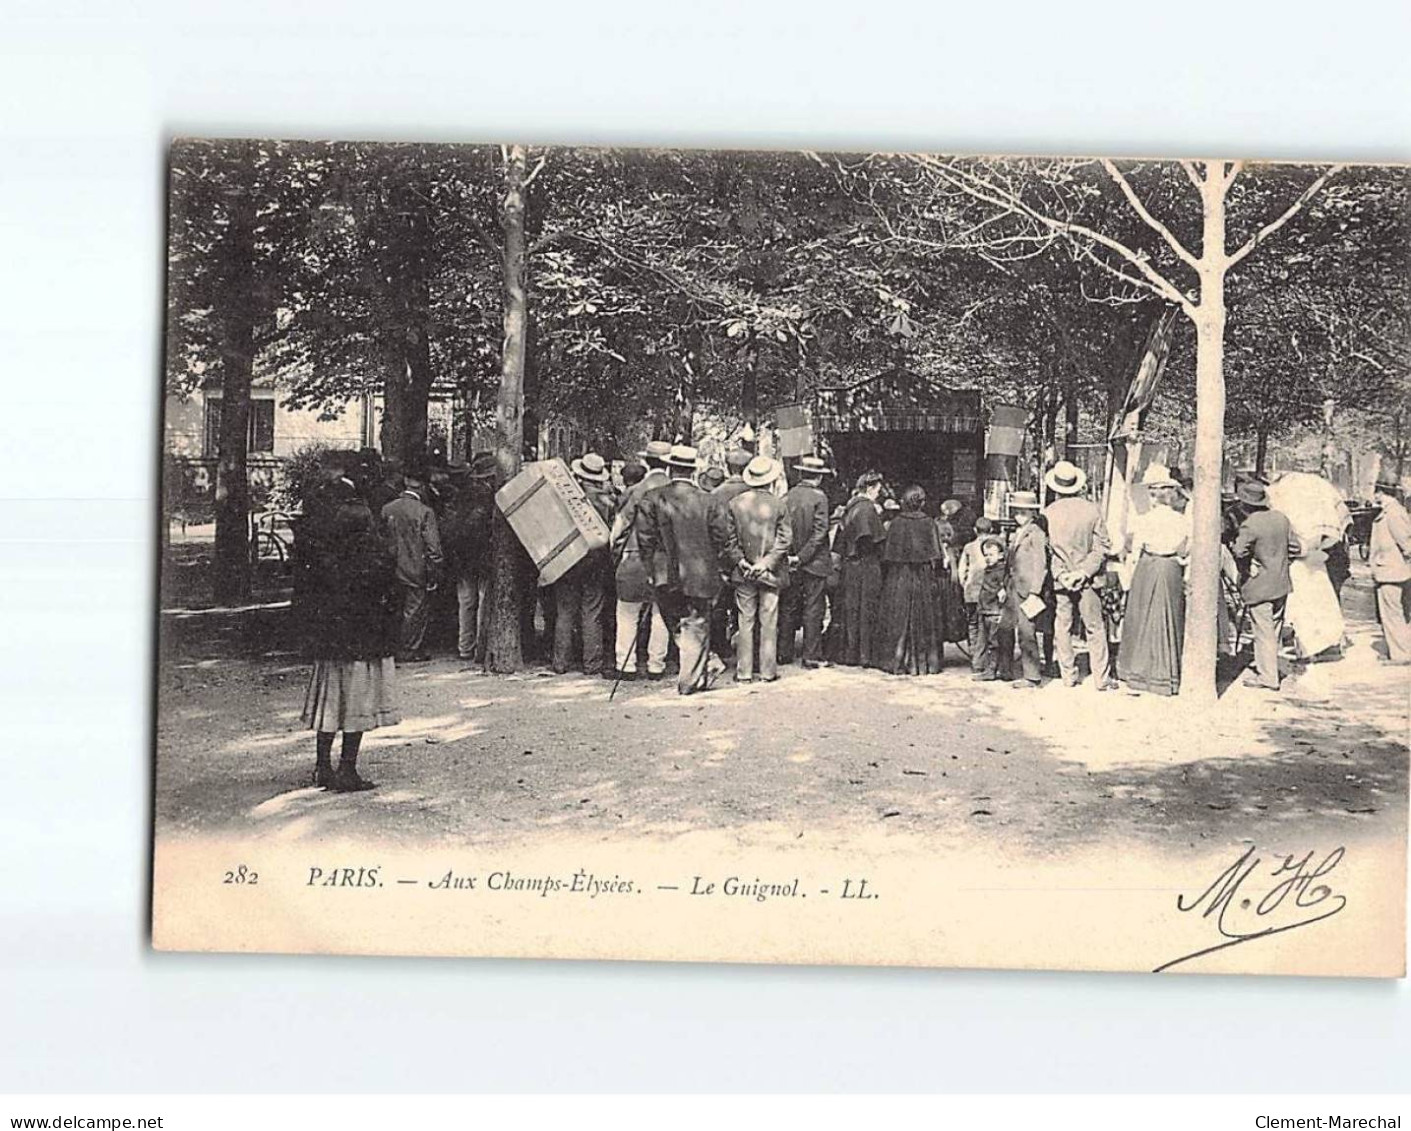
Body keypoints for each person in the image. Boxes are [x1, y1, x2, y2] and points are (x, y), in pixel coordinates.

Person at [293, 472, 399, 792]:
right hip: (363, 643)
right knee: (357, 706)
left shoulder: (326, 555)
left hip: (331, 641)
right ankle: (347, 769)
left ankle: (322, 767)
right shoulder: (375, 556)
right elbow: (389, 592)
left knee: (328, 705)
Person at [635, 444, 737, 695]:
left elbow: (644, 539)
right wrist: (721, 567)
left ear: (670, 467)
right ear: (693, 471)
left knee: (678, 623)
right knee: (696, 623)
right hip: (700, 574)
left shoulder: (652, 498)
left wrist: (650, 569)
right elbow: (722, 539)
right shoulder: (709, 500)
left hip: (663, 574)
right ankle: (692, 678)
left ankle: (698, 672)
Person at [1116, 464, 1190, 696]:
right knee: (1168, 616)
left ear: (1155, 497)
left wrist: (1128, 577)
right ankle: (1166, 675)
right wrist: (1182, 564)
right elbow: (1187, 550)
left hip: (1147, 568)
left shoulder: (1144, 520)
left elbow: (1135, 549)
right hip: (1170, 569)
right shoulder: (1182, 520)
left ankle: (1137, 672)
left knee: (1141, 616)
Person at [1042, 460, 1115, 690]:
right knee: (1094, 626)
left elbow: (1048, 550)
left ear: (1056, 486)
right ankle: (1101, 678)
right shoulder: (1092, 510)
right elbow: (1103, 546)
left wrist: (1062, 574)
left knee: (1062, 625)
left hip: (1061, 579)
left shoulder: (1048, 513)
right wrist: (1083, 572)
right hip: (1088, 580)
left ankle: (1068, 675)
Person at [722, 455, 792, 682]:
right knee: (769, 620)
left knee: (745, 620)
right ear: (770, 480)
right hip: (770, 573)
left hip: (743, 572)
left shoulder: (735, 504)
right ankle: (768, 671)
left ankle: (743, 672)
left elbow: (728, 540)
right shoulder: (779, 504)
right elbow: (785, 541)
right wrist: (765, 564)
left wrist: (741, 561)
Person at [609, 442, 672, 681]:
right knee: (660, 614)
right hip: (665, 562)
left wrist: (616, 556)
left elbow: (618, 530)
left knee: (627, 613)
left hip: (634, 559)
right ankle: (656, 665)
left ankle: (626, 665)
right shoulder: (674, 490)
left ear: (648, 461)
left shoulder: (635, 491)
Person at [552, 453, 615, 676]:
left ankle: (560, 662)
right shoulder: (608, 502)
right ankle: (592, 664)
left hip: (568, 560)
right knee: (592, 612)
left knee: (565, 612)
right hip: (595, 562)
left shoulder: (567, 498)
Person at [1232, 480, 1298, 690]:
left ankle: (1268, 677)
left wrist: (1253, 563)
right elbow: (1296, 548)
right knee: (1274, 628)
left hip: (1260, 586)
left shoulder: (1250, 524)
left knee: (1263, 632)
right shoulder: (1282, 518)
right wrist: (1281, 564)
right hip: (1281, 583)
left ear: (1245, 505)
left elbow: (1239, 552)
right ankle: (1270, 667)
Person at [877, 484, 945, 674]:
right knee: (924, 616)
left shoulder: (896, 523)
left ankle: (897, 660)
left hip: (899, 576)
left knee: (898, 616)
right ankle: (924, 663)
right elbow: (936, 554)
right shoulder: (928, 522)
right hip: (922, 576)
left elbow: (887, 554)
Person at [381, 466, 443, 663]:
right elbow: (433, 548)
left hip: (392, 567)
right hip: (417, 570)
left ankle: (391, 647)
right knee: (414, 612)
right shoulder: (425, 512)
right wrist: (434, 574)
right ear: (423, 486)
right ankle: (409, 649)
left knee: (394, 608)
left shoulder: (388, 508)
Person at [440, 452, 497, 663]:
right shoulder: (488, 497)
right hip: (481, 557)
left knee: (465, 602)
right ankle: (480, 649)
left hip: (461, 558)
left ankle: (465, 647)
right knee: (482, 602)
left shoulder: (460, 494)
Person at [780, 455, 834, 668]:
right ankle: (811, 655)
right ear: (819, 477)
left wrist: (792, 557)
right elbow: (820, 533)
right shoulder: (820, 498)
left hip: (791, 561)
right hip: (814, 563)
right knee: (814, 608)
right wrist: (803, 557)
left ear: (802, 473)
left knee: (789, 606)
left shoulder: (787, 496)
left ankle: (784, 652)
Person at [996, 491, 1049, 688]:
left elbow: (1040, 564)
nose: (1019, 516)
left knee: (1027, 633)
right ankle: (1006, 669)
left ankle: (1032, 676)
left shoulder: (1036, 533)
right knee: (1005, 628)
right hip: (1012, 587)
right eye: (1017, 512)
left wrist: (1035, 591)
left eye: (1023, 513)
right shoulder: (1015, 533)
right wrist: (1004, 585)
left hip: (1027, 590)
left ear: (1032, 513)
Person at [838, 471, 886, 667]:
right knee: (867, 609)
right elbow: (868, 538)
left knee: (852, 609)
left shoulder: (850, 507)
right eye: (878, 489)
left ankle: (851, 653)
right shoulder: (866, 509)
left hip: (851, 565)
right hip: (866, 565)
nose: (879, 493)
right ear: (870, 488)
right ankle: (865, 655)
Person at [1369, 479, 1411, 664]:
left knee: (1393, 614)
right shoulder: (1391, 512)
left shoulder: (1393, 513)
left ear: (1381, 492)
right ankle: (1399, 650)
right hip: (1389, 570)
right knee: (1393, 613)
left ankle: (1401, 655)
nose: (1375, 496)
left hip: (1392, 572)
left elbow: (1407, 543)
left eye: (1376, 492)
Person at [958, 516, 996, 669]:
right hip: (989, 593)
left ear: (975, 530)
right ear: (991, 530)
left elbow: (962, 570)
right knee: (988, 626)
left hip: (972, 592)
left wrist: (965, 585)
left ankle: (975, 657)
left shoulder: (969, 547)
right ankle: (990, 657)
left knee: (973, 624)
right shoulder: (996, 545)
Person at [933, 499, 972, 651]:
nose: (946, 538)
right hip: (941, 588)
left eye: (948, 534)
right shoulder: (936, 552)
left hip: (951, 589)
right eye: (943, 535)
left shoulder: (954, 550)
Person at [969, 536, 1008, 681]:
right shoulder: (989, 570)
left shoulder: (1001, 571)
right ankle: (984, 667)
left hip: (994, 611)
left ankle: (992, 670)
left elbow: (1003, 589)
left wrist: (1002, 591)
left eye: (991, 555)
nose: (988, 558)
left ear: (1001, 555)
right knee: (984, 640)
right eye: (985, 555)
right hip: (985, 609)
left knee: (994, 642)